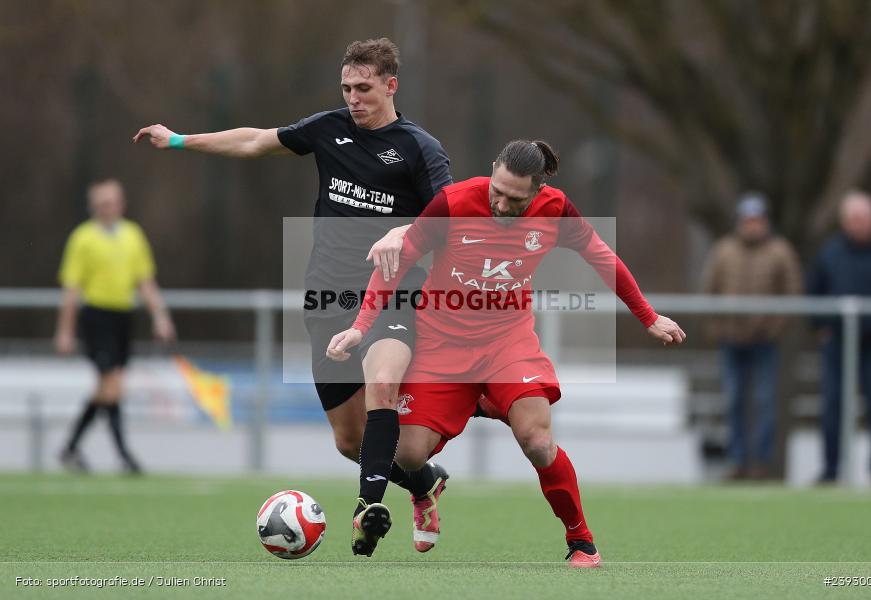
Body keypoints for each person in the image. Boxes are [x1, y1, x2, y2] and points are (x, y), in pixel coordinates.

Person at [133, 38, 452, 555]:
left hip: (393, 295)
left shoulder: (419, 147)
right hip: (327, 298)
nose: (354, 97)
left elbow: (450, 213)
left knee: (382, 383)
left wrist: (404, 235)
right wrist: (177, 141)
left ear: (391, 86)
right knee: (350, 441)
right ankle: (423, 485)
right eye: (347, 87)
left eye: (365, 88)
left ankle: (367, 507)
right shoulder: (328, 129)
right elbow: (255, 141)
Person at [327, 139, 686, 567]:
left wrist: (647, 316)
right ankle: (477, 405)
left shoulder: (556, 210)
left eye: (515, 199)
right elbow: (398, 263)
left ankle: (581, 541)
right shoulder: (454, 202)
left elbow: (602, 257)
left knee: (536, 440)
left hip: (507, 343)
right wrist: (360, 327)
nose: (500, 203)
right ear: (492, 168)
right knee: (407, 454)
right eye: (497, 190)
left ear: (537, 191)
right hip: (441, 345)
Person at [55, 179, 176, 474]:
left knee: (109, 388)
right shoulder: (82, 239)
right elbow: (71, 290)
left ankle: (70, 448)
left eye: (110, 202)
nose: (105, 209)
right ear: (92, 207)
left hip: (123, 318)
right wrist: (65, 330)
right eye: (100, 204)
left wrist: (160, 316)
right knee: (112, 385)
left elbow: (145, 281)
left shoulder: (133, 235)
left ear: (120, 204)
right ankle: (124, 455)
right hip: (96, 317)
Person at [702, 193, 803, 480]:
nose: (752, 226)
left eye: (757, 220)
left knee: (764, 402)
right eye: (748, 220)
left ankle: (760, 463)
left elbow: (792, 294)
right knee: (733, 401)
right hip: (731, 340)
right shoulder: (723, 250)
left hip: (764, 343)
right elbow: (709, 290)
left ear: (765, 222)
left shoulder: (781, 251)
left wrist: (772, 330)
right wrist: (718, 329)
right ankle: (737, 462)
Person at [808, 190, 871, 485]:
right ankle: (831, 470)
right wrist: (820, 326)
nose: (857, 224)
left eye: (862, 218)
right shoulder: (830, 253)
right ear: (844, 221)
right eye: (852, 219)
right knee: (832, 405)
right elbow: (814, 291)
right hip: (837, 343)